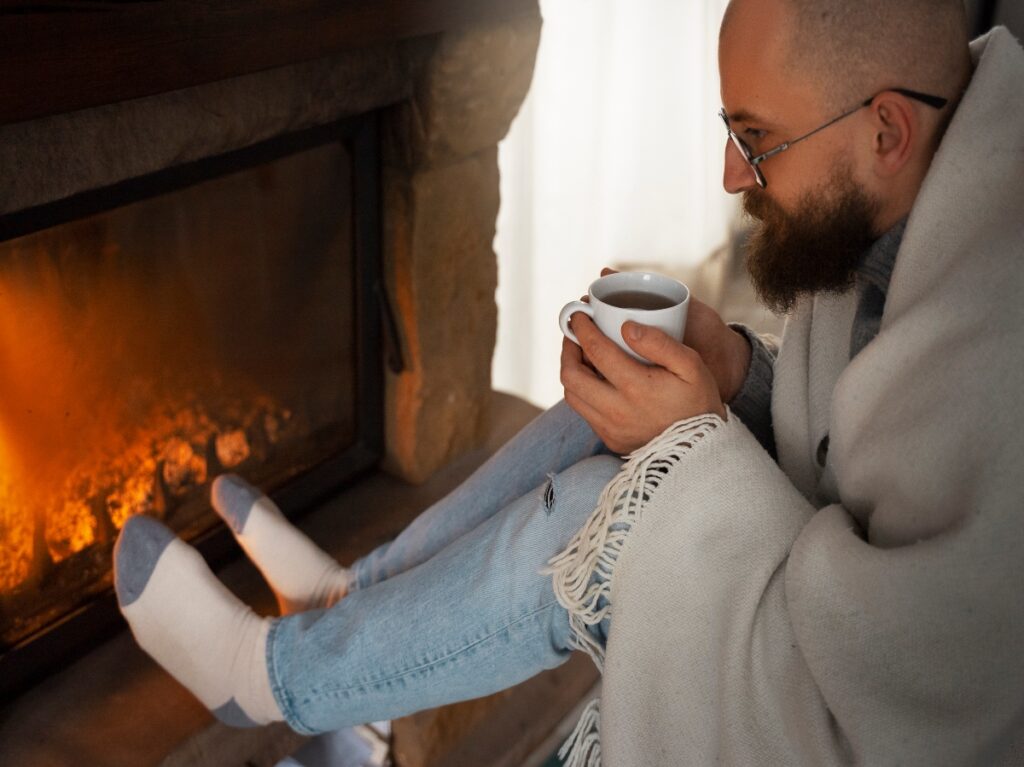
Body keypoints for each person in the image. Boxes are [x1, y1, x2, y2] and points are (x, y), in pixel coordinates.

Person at [114, 0, 1024, 763]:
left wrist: (697, 442)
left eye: (758, 139)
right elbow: (847, 435)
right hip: (824, 608)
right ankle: (352, 601)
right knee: (610, 420)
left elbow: (901, 691)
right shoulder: (915, 192)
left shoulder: (998, 351)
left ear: (886, 131)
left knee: (612, 508)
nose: (729, 172)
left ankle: (271, 677)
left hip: (842, 699)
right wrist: (739, 373)